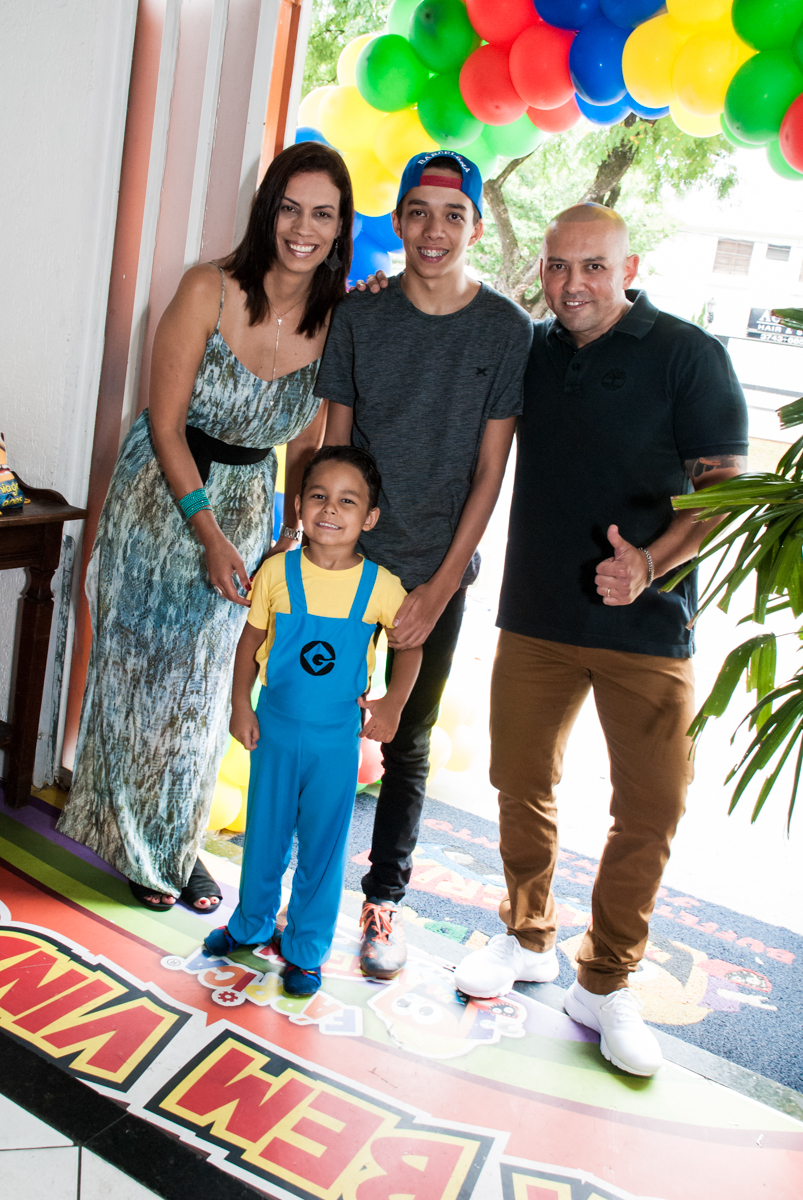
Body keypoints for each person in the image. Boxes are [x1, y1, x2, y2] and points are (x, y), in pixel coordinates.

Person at [454, 204, 748, 1077]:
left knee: (652, 805)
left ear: (628, 267)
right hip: (536, 615)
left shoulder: (688, 355)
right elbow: (450, 313)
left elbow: (723, 485)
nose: (570, 285)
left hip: (648, 625)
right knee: (519, 782)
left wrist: (649, 568)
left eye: (590, 267)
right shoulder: (531, 350)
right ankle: (526, 936)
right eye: (555, 267)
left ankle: (606, 981)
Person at [58, 143, 354, 912]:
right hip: (166, 494)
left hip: (252, 504)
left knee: (205, 684)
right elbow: (163, 425)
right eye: (290, 207)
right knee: (140, 673)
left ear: (340, 226)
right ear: (268, 210)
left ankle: (178, 843)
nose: (303, 227)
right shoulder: (208, 287)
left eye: (323, 213)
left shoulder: (337, 318)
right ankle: (133, 842)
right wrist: (208, 531)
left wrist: (294, 528)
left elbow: (308, 442)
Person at [318, 150, 533, 978]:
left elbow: (490, 472)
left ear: (474, 226)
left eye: (451, 215)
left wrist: (440, 586)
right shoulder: (360, 317)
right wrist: (322, 556)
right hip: (345, 567)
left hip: (438, 572)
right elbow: (335, 444)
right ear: (399, 221)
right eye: (417, 212)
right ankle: (302, 889)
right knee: (322, 722)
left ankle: (384, 903)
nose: (433, 230)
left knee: (405, 740)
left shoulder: (504, 331)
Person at [204, 446, 421, 995]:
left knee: (324, 848)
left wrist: (393, 703)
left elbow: (410, 646)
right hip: (274, 730)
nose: (331, 509)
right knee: (265, 836)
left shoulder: (381, 586)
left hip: (335, 743)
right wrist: (240, 705)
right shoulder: (277, 572)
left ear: (369, 518)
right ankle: (249, 924)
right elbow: (250, 641)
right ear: (298, 505)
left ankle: (305, 950)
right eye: (319, 496)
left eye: (348, 501)